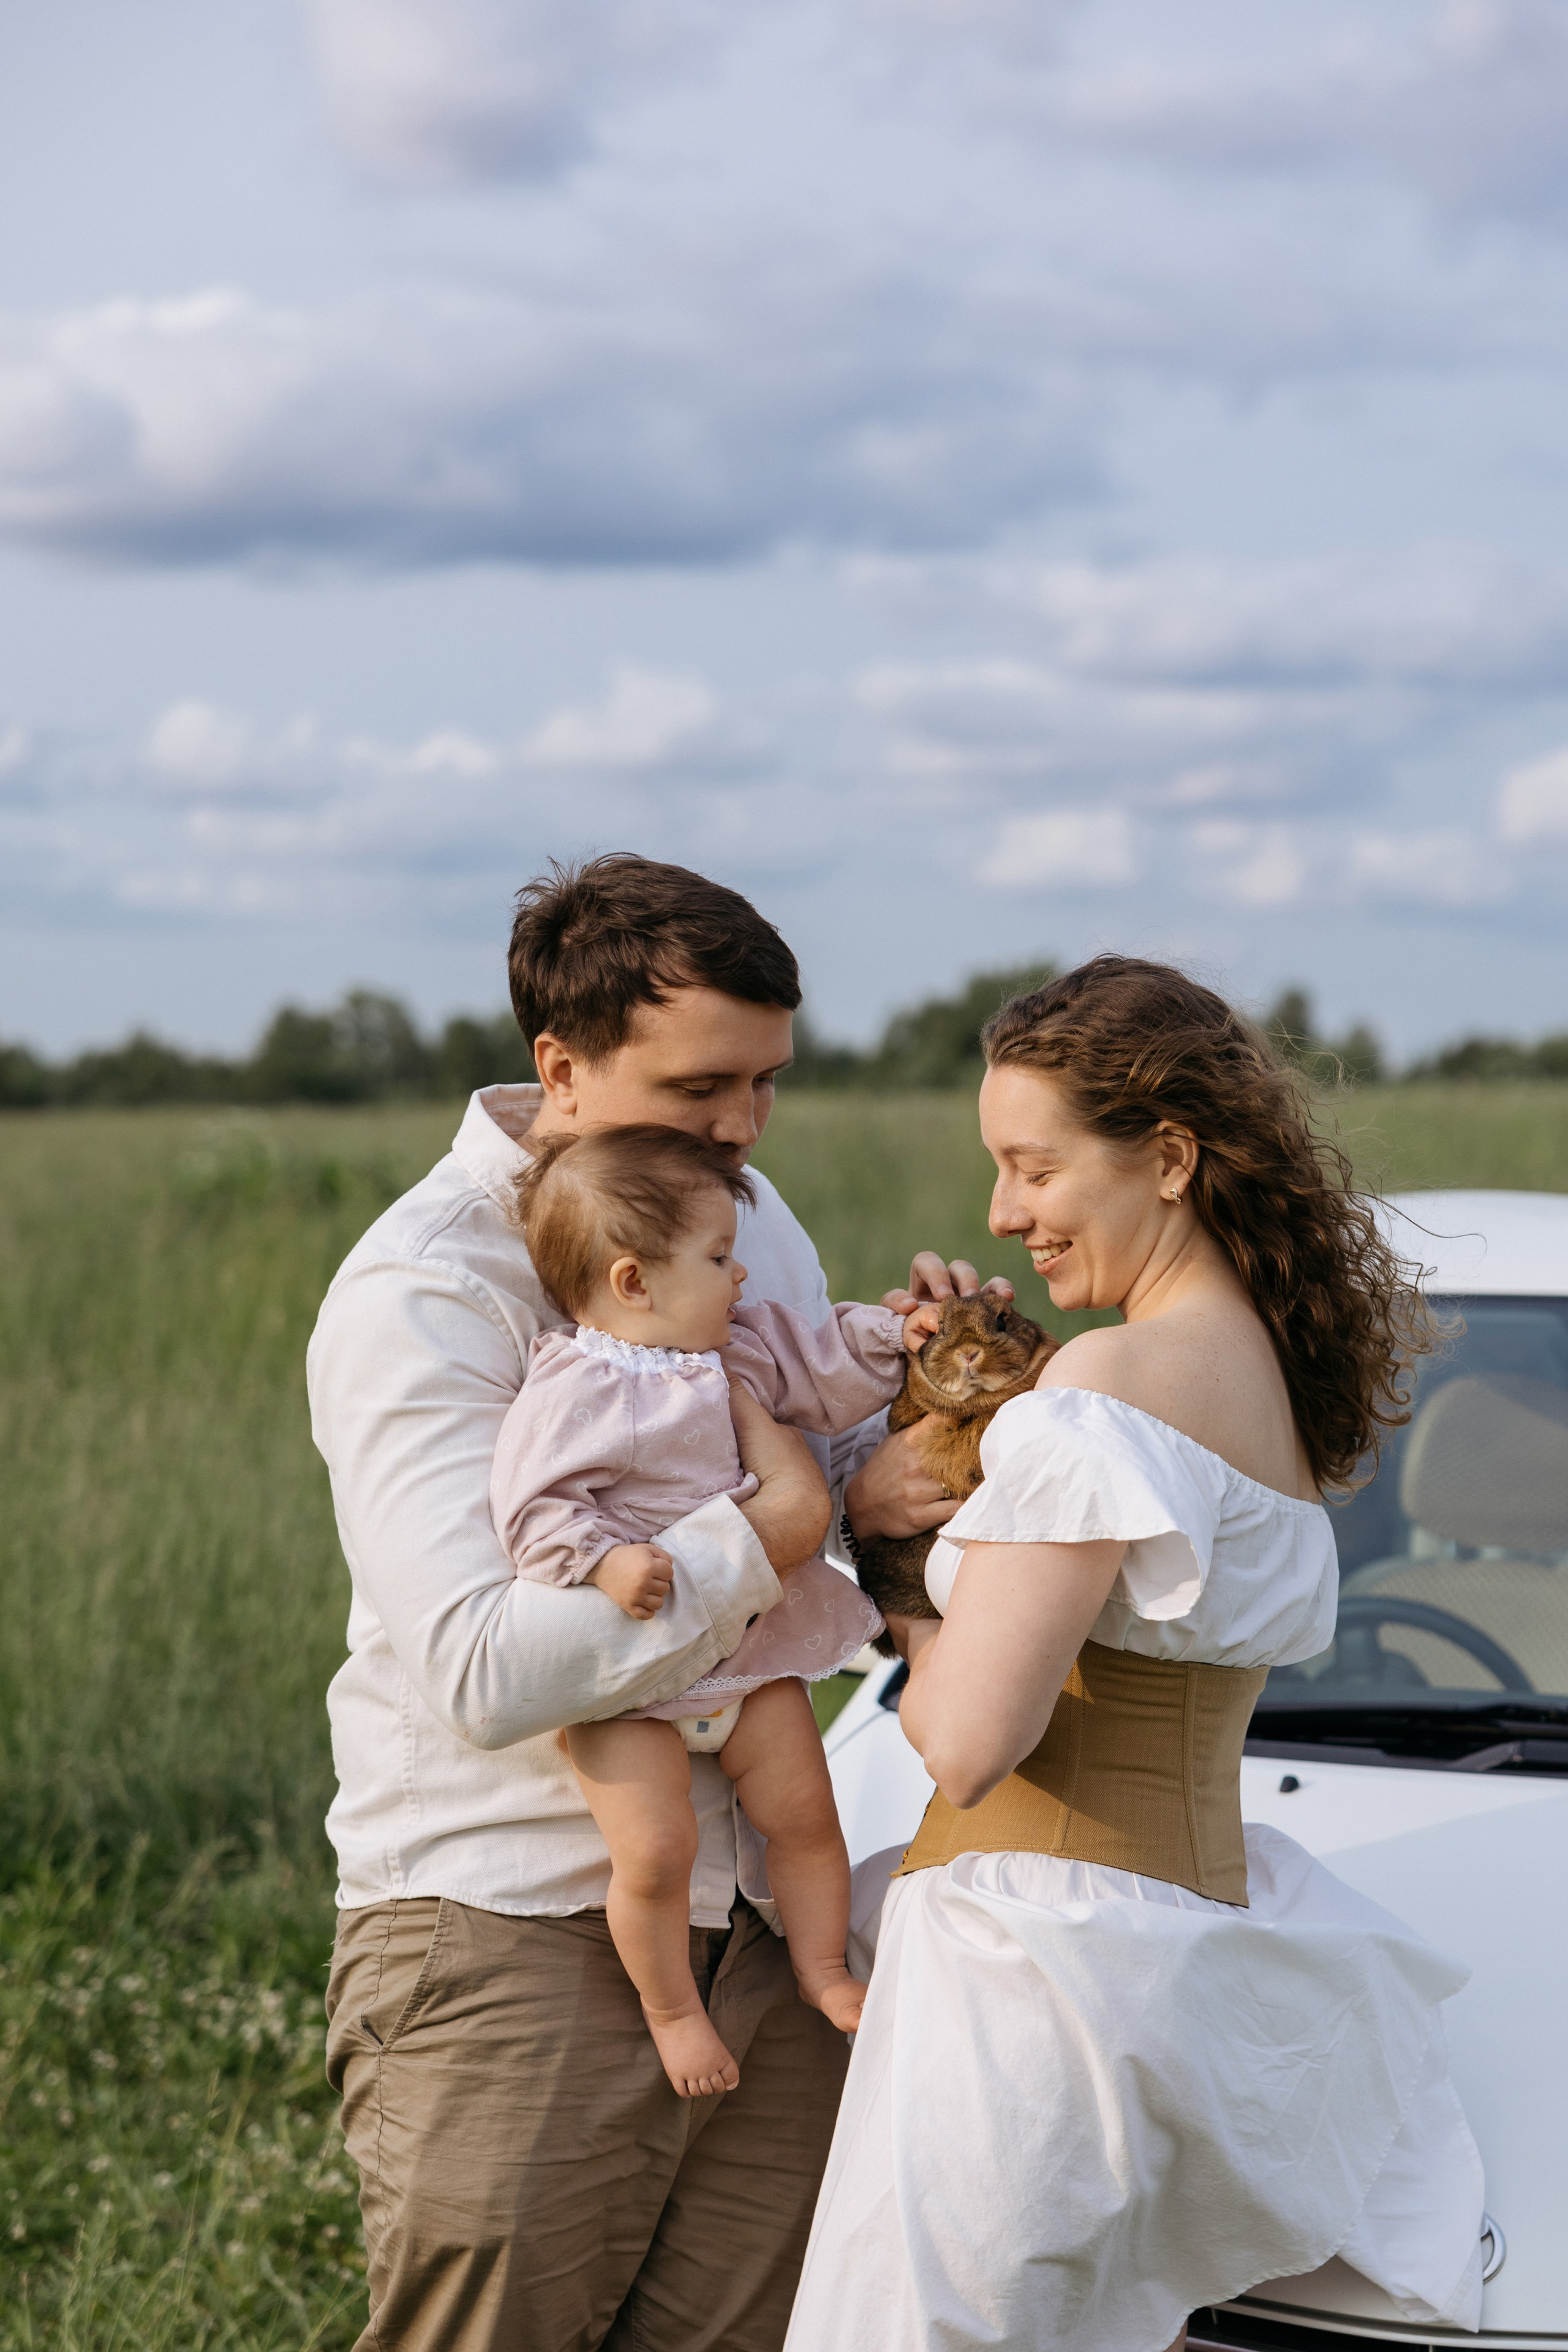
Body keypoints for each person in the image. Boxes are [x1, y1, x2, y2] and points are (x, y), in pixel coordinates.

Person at [311, 852, 991, 2352]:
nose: (743, 1132)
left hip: (765, 1921)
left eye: (766, 1085)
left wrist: (947, 1384)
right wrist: (780, 1534)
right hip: (514, 1931)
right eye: (701, 1089)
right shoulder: (426, 1292)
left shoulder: (750, 1221)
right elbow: (487, 1671)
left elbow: (860, 1494)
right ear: (559, 1067)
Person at [786, 956, 1486, 2352]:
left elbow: (968, 1741)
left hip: (1024, 1991)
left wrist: (888, 1577)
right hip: (1177, 1967)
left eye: (1030, 1168)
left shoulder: (1100, 1394)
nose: (1001, 1211)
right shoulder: (1265, 1397)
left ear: (1164, 1156)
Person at [492, 1122, 908, 2094]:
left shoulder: (736, 1352)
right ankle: (673, 2012)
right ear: (634, 1282)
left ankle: (821, 1969)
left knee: (805, 1811)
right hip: (632, 1685)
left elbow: (824, 1364)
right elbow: (534, 1508)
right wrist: (602, 1564)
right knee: (654, 1849)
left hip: (747, 1654)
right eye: (720, 1259)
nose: (742, 1281)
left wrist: (894, 1338)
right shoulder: (573, 1386)